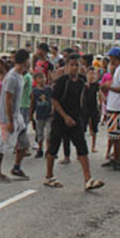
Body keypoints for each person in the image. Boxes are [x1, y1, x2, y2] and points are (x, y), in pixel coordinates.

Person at [44, 53, 105, 191]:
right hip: (60, 120)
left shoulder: (82, 81)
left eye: (77, 65)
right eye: (72, 65)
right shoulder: (62, 81)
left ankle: (88, 179)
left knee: (82, 148)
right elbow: (54, 100)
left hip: (76, 119)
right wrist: (65, 117)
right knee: (53, 148)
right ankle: (49, 176)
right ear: (67, 66)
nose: (74, 68)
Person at [0, 49, 31, 182]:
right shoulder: (12, 77)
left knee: (24, 143)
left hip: (17, 115)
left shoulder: (20, 75)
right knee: (2, 145)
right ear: (25, 61)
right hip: (6, 117)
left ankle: (16, 167)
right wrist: (9, 121)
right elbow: (7, 99)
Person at [101, 47, 120, 171]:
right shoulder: (118, 69)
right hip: (113, 106)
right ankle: (115, 157)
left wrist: (109, 88)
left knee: (118, 136)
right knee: (113, 135)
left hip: (118, 107)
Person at [31, 72, 52, 158]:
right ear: (36, 80)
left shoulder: (49, 89)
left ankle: (49, 150)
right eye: (40, 78)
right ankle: (40, 149)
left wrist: (53, 109)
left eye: (43, 78)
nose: (42, 80)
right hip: (39, 114)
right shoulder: (34, 91)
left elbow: (53, 100)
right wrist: (31, 114)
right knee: (40, 133)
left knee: (49, 133)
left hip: (49, 114)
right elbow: (32, 103)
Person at [82, 68, 101, 154]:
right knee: (83, 128)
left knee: (94, 128)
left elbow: (100, 96)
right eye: (90, 74)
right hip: (85, 108)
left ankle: (93, 146)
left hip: (94, 108)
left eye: (93, 74)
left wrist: (100, 108)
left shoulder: (97, 85)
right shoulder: (84, 85)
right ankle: (82, 147)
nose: (91, 76)